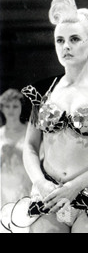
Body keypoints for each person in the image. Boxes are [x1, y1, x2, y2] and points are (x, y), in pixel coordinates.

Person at [2, 0, 88, 233]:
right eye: (60, 40)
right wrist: (40, 182)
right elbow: (31, 146)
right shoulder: (42, 92)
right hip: (48, 197)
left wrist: (75, 186)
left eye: (74, 39)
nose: (66, 47)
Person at [0, 89, 32, 232]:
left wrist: (18, 153)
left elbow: (40, 160)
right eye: (7, 106)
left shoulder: (30, 132)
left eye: (15, 106)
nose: (11, 110)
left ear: (21, 107)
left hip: (25, 188)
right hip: (3, 190)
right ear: (2, 108)